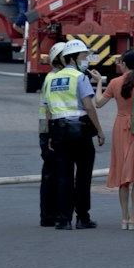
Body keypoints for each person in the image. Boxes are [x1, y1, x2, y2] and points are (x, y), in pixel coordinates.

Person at [43, 39, 106, 229]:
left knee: (64, 176)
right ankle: (82, 217)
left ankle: (64, 219)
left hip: (60, 131)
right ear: (74, 58)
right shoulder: (80, 77)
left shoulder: (53, 78)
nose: (86, 59)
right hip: (81, 132)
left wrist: (51, 135)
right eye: (84, 56)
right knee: (83, 176)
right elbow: (89, 105)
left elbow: (49, 110)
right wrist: (100, 130)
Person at [94, 50, 134, 229]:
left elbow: (98, 103)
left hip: (120, 126)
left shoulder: (114, 82)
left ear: (123, 64)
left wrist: (99, 82)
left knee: (123, 174)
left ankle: (124, 219)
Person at [37, 41, 67, 226]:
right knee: (51, 173)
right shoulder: (53, 79)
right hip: (49, 129)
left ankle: (51, 212)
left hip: (50, 128)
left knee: (53, 172)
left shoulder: (56, 76)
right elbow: (49, 108)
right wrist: (49, 136)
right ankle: (49, 214)